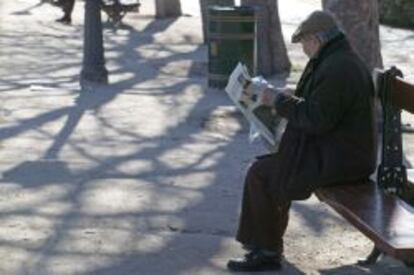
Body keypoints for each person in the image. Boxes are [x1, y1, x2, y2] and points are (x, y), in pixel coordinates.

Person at [227, 10, 377, 272]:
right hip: (337, 152)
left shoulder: (338, 68)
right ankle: (266, 247)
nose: (304, 49)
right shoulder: (334, 60)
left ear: (318, 39)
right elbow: (318, 108)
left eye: (305, 42)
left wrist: (278, 101)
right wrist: (281, 100)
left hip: (342, 160)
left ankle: (266, 252)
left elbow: (317, 118)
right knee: (273, 168)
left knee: (261, 174)